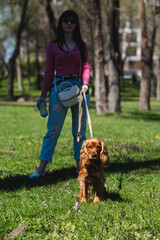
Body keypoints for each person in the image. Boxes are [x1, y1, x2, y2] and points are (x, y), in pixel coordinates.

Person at [29, 10, 90, 179]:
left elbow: (86, 66)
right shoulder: (53, 46)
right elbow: (48, 72)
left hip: (79, 90)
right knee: (53, 130)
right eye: (65, 20)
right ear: (61, 24)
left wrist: (85, 83)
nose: (69, 23)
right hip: (58, 90)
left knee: (79, 132)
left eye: (72, 20)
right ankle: (41, 170)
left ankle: (80, 169)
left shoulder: (82, 45)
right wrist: (42, 96)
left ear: (76, 24)